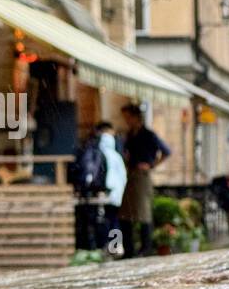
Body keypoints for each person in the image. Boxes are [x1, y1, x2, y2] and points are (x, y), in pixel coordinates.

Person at [119, 102, 170, 257]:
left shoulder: (148, 134)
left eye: (128, 117)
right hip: (131, 176)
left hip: (142, 177)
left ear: (136, 117)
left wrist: (151, 165)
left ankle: (145, 249)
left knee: (143, 213)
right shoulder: (129, 134)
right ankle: (129, 249)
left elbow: (166, 151)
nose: (126, 121)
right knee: (125, 213)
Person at [71, 128, 109, 250]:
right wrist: (101, 188)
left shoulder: (81, 151)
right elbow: (103, 172)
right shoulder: (99, 153)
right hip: (94, 190)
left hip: (83, 190)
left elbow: (73, 170)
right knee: (95, 219)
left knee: (82, 219)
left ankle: (84, 245)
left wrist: (76, 187)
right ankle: (95, 246)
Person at [97, 121, 127, 255]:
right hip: (115, 194)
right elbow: (123, 177)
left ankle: (104, 246)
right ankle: (116, 245)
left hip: (100, 193)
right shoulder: (116, 156)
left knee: (102, 219)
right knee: (114, 219)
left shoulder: (97, 154)